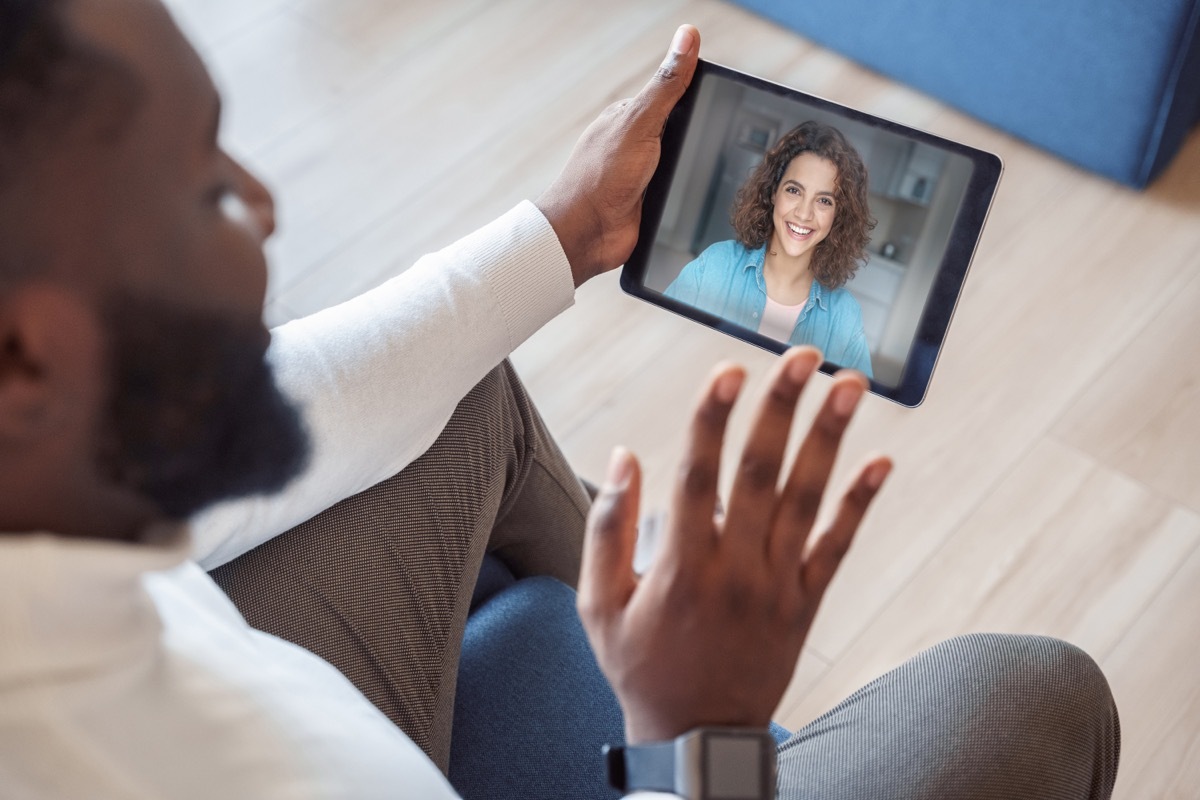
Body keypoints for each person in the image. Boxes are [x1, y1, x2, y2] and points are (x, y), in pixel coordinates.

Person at [0, 1, 1120, 798]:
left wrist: (561, 233)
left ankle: (634, 626)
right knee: (1034, 696)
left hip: (210, 633)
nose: (264, 207)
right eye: (205, 189)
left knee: (455, 397)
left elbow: (298, 392)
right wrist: (697, 739)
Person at [665, 121, 875, 378]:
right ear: (774, 193)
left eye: (823, 200)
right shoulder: (715, 264)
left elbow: (858, 404)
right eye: (794, 190)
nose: (804, 213)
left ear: (838, 215)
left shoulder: (844, 316)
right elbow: (658, 344)